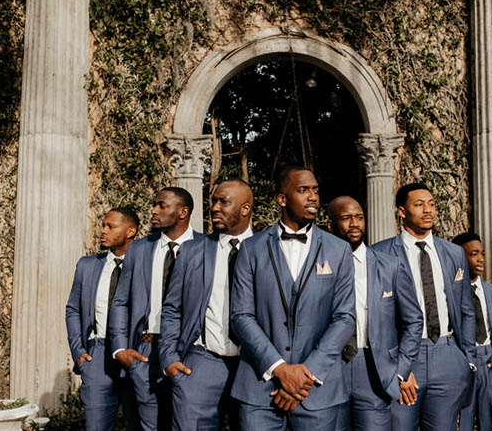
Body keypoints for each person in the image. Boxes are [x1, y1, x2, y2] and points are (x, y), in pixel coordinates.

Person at [230, 166, 356, 430]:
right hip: (259, 389)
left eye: (315, 191)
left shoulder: (339, 250)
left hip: (318, 391)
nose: (313, 197)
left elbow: (345, 317)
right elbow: (241, 315)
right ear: (282, 199)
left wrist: (304, 375)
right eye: (303, 190)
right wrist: (280, 369)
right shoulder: (251, 248)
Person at [372, 182, 476, 431]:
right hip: (404, 357)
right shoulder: (380, 254)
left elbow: (466, 309)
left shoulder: (453, 253)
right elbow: (378, 318)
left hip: (448, 355)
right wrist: (396, 368)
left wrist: (467, 359)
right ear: (401, 211)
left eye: (430, 204)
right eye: (418, 205)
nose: (427, 210)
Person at [159, 179, 254, 430]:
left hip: (253, 366)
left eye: (223, 201)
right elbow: (172, 307)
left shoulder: (267, 248)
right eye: (213, 201)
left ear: (245, 209)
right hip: (201, 363)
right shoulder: (192, 250)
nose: (214, 207)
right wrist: (169, 357)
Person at [109, 187, 203, 431]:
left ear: (183, 212)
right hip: (145, 352)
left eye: (161, 205)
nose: (153, 210)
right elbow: (120, 301)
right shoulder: (139, 249)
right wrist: (120, 348)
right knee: (149, 426)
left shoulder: (206, 247)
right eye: (154, 204)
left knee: (187, 424)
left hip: (190, 353)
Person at [327, 196, 423, 431]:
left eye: (359, 217)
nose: (355, 224)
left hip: (374, 369)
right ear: (330, 225)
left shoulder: (389, 265)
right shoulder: (318, 264)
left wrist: (399, 370)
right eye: (346, 218)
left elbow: (413, 321)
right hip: (329, 367)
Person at [65, 207, 140, 431]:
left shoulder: (144, 265)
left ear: (130, 231)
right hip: (96, 356)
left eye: (111, 226)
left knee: (139, 424)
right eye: (103, 225)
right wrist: (78, 352)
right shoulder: (87, 266)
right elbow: (73, 310)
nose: (103, 231)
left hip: (134, 354)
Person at [452, 232, 492, 431]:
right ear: (460, 258)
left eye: (482, 253)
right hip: (462, 364)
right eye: (473, 254)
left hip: (490, 363)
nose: (480, 259)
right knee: (461, 421)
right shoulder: (450, 295)